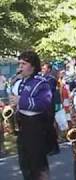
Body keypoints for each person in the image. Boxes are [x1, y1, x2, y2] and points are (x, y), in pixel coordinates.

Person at [10, 51, 52, 179]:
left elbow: (45, 103)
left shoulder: (41, 82)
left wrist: (20, 101)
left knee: (38, 165)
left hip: (36, 126)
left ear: (33, 66)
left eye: (24, 64)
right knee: (25, 164)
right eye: (19, 64)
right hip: (22, 125)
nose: (20, 67)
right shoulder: (19, 82)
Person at [41, 62, 60, 155]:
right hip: (43, 105)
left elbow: (48, 91)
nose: (42, 69)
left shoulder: (50, 79)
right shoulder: (43, 78)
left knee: (49, 126)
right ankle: (48, 146)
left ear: (49, 69)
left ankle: (55, 147)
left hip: (49, 105)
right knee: (45, 127)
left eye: (44, 68)